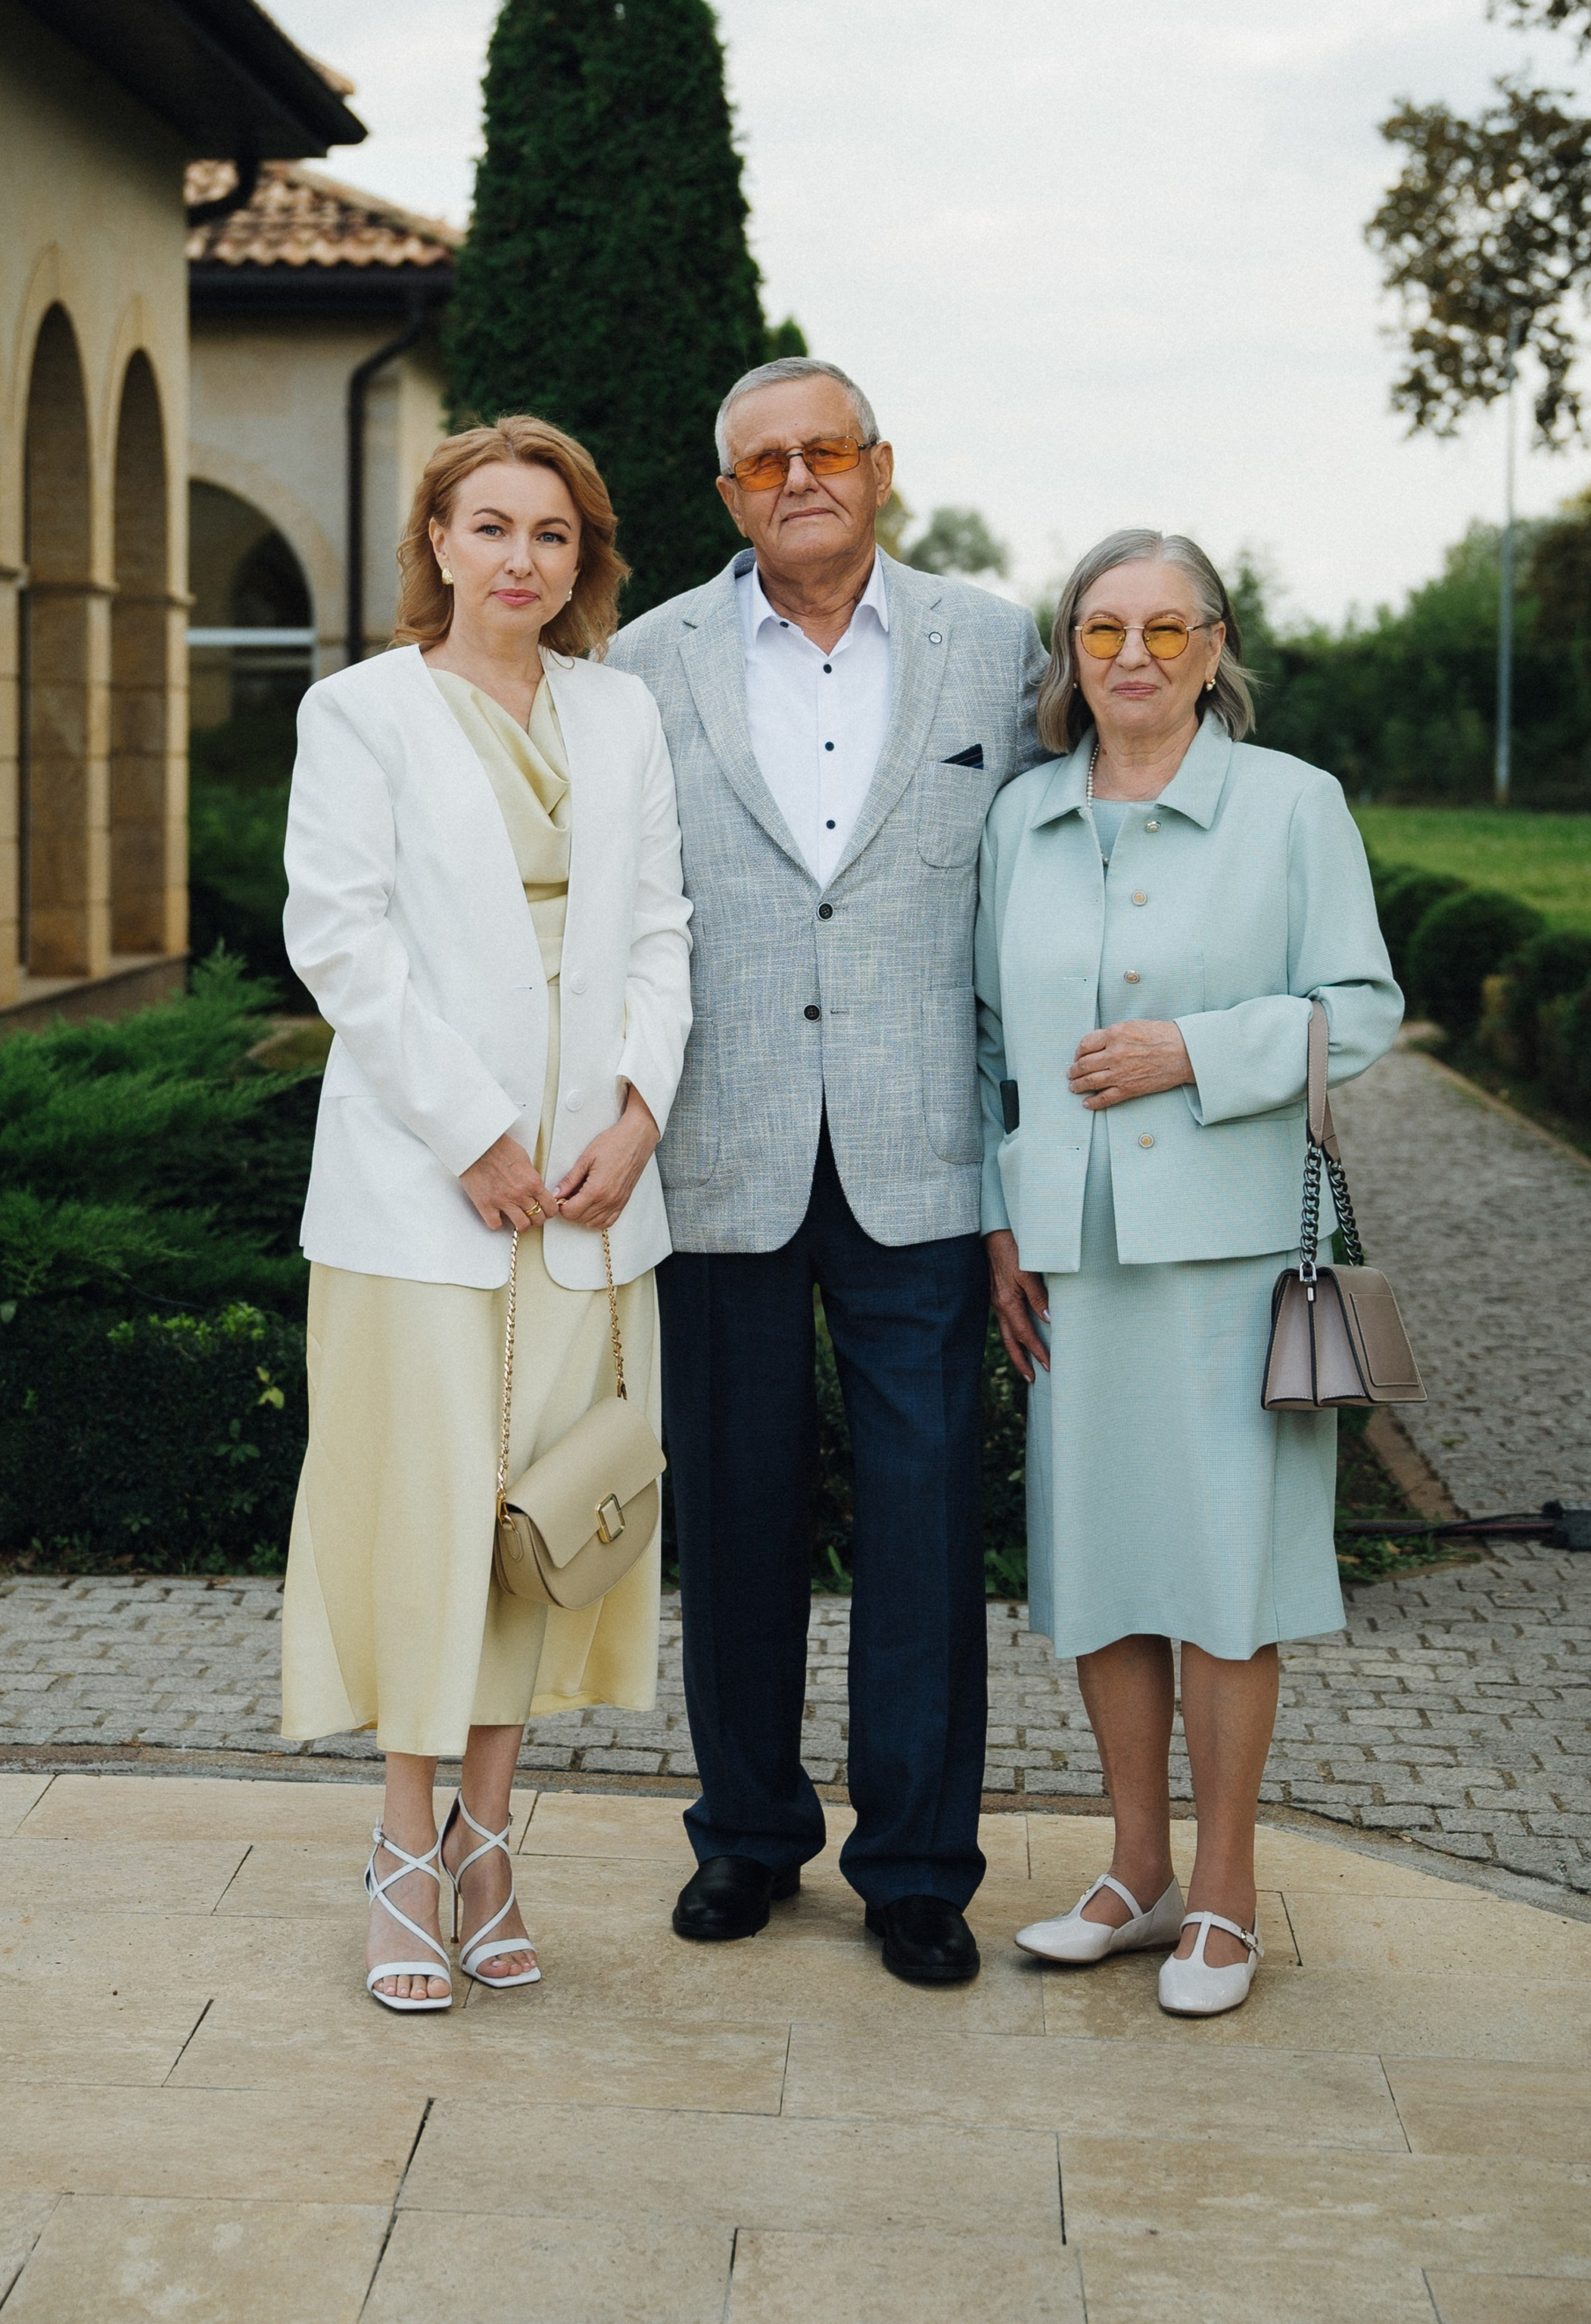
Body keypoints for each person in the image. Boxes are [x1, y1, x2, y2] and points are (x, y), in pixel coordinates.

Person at [612, 356, 1045, 1988]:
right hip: (716, 1147)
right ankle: (744, 1831)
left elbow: (1030, 907)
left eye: (825, 449)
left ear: (879, 466)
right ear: (728, 495)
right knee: (733, 1513)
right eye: (763, 461)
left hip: (921, 1156)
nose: (798, 477)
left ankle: (918, 1867)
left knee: (926, 1524)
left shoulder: (994, 645)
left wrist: (1022, 1169)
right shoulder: (644, 660)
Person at [279, 418, 691, 2011]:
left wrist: (637, 1116)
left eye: (554, 534)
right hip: (421, 1192)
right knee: (429, 1513)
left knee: (544, 1523)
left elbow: (660, 930)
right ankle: (402, 1845)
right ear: (438, 543)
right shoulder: (360, 712)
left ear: (584, 560)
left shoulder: (622, 711)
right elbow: (342, 941)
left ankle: (490, 1839)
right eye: (494, 526)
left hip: (592, 1196)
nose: (523, 558)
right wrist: (472, 1136)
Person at [977, 528, 1401, 2018]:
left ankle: (1223, 1892)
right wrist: (1002, 1221)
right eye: (1103, 629)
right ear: (1069, 651)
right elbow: (988, 1039)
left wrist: (1192, 1051)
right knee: (1100, 1568)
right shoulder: (1021, 817)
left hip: (1232, 1252)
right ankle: (1135, 1870)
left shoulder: (1291, 805)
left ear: (1216, 647)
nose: (1134, 655)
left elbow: (1360, 1009)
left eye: (1168, 627)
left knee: (1225, 1576)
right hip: (1072, 1258)